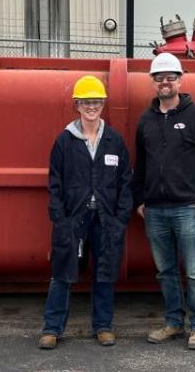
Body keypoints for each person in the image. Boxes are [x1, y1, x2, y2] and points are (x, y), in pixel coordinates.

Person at [132, 52, 195, 350]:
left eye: (170, 77)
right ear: (153, 82)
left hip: (187, 208)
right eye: (159, 77)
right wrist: (140, 199)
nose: (165, 82)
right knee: (165, 271)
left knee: (194, 271)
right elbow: (140, 165)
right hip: (155, 210)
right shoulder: (146, 120)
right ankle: (173, 322)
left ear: (180, 80)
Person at [39, 75, 132, 350]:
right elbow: (54, 183)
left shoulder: (114, 141)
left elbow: (126, 180)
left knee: (104, 272)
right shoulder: (64, 142)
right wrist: (61, 219)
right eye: (86, 102)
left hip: (105, 219)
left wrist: (120, 218)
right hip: (73, 220)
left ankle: (103, 326)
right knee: (62, 272)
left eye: (96, 101)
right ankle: (52, 328)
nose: (91, 106)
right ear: (77, 105)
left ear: (103, 104)